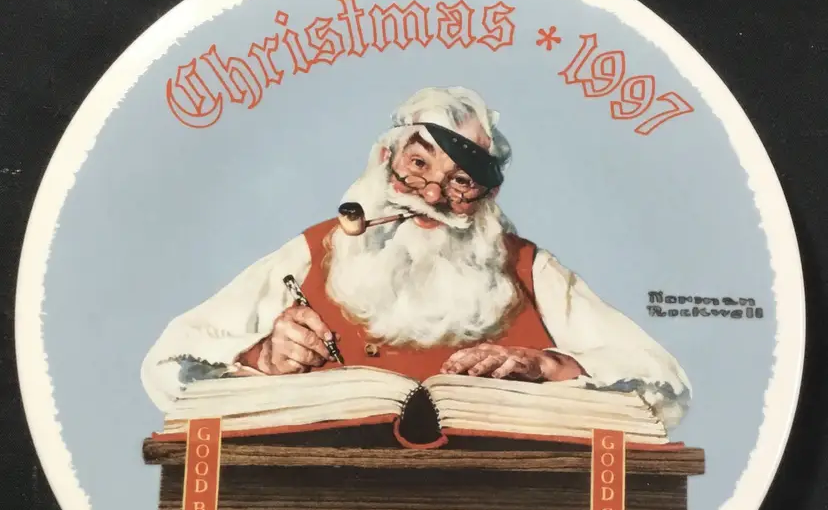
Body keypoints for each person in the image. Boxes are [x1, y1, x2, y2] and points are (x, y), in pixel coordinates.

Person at [141, 86, 691, 427]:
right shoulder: (311, 252)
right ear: (386, 156)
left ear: (489, 194)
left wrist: (551, 366)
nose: (431, 195)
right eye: (419, 165)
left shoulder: (531, 269)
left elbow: (665, 389)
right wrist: (260, 356)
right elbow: (166, 368)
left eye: (461, 183)